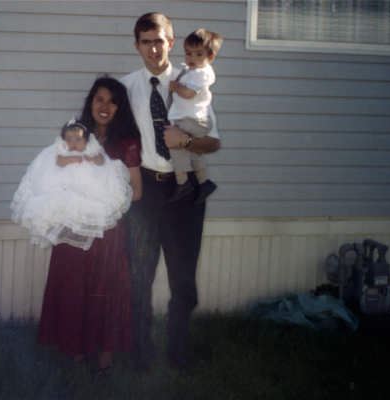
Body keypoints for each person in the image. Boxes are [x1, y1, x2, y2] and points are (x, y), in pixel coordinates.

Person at [121, 12, 221, 371]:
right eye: (146, 42)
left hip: (185, 194)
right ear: (137, 46)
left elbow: (213, 142)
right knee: (139, 278)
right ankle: (141, 352)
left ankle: (178, 351)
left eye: (159, 41)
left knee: (183, 281)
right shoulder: (125, 88)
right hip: (145, 194)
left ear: (171, 42)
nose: (153, 49)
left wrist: (187, 141)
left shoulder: (192, 80)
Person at [32, 77, 142, 375]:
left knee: (105, 288)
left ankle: (105, 354)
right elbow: (53, 171)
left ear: (120, 107)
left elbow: (136, 191)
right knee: (72, 285)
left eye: (112, 101)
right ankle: (75, 349)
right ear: (90, 102)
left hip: (107, 229)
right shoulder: (75, 134)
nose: (105, 107)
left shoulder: (127, 142)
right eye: (99, 99)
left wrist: (103, 200)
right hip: (73, 225)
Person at [10, 120, 132, 251]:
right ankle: (62, 224)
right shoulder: (63, 151)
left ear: (86, 141)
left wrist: (93, 159)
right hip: (66, 185)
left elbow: (102, 161)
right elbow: (59, 162)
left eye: (78, 140)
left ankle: (82, 224)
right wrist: (70, 159)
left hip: (88, 186)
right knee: (61, 202)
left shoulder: (92, 150)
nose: (73, 143)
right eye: (69, 140)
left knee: (89, 203)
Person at [167, 28, 222, 203]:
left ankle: (183, 183)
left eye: (199, 54)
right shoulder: (192, 71)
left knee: (174, 143)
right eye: (188, 53)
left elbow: (189, 93)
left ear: (210, 57)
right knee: (194, 152)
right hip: (194, 119)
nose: (192, 58)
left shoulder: (202, 74)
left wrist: (175, 87)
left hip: (196, 120)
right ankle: (203, 182)